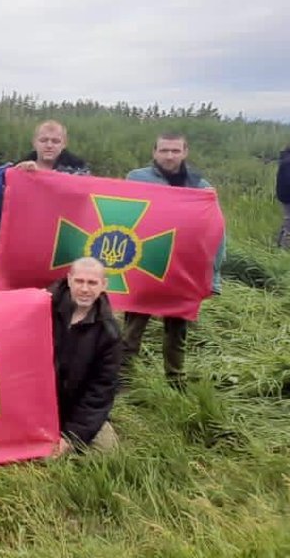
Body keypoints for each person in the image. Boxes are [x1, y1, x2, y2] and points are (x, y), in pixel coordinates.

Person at [121, 133, 224, 387]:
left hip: (183, 266)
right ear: (154, 152)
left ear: (185, 152)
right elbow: (121, 215)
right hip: (146, 262)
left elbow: (216, 232)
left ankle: (175, 380)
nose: (169, 156)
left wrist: (214, 276)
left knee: (177, 328)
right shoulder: (136, 179)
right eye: (164, 150)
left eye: (175, 151)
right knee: (133, 326)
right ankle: (122, 379)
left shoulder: (200, 186)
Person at [47, 257, 122, 454]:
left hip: (75, 407)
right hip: (37, 403)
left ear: (103, 285)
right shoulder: (41, 307)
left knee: (107, 451)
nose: (85, 289)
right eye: (80, 281)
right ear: (69, 279)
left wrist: (71, 437)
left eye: (92, 283)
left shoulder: (109, 332)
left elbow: (100, 391)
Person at [13, 120, 91, 175]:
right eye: (43, 140)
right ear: (34, 142)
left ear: (64, 144)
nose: (49, 145)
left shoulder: (79, 172)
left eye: (55, 141)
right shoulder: (17, 170)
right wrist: (22, 173)